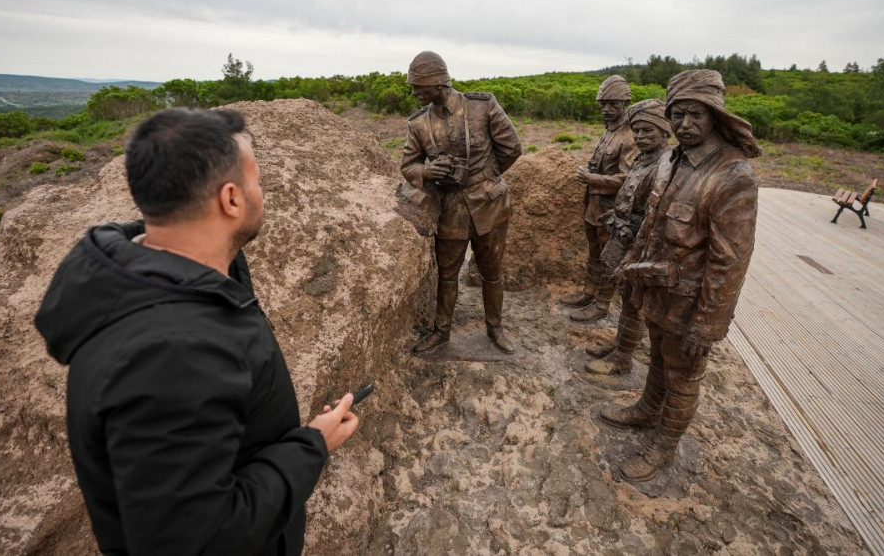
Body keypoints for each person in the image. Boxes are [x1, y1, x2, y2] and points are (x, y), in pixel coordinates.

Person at [35, 108, 359, 555]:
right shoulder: (173, 355)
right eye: (257, 180)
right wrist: (313, 445)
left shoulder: (158, 276)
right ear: (231, 199)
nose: (261, 192)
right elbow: (197, 541)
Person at [599, 69, 760, 482]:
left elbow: (730, 262)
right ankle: (647, 410)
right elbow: (651, 223)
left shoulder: (732, 175)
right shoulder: (672, 158)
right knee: (656, 357)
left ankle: (664, 448)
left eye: (696, 115)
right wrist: (629, 269)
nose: (685, 125)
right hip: (656, 290)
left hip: (691, 302)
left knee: (683, 375)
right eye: (678, 115)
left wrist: (707, 325)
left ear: (715, 116)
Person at [400, 51, 522, 354]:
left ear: (437, 83)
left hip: (490, 206)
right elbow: (408, 166)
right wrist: (428, 171)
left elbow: (512, 148)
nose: (414, 93)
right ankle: (441, 332)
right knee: (448, 273)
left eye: (418, 87)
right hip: (450, 209)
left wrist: (486, 178)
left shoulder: (483, 106)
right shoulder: (418, 124)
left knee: (492, 272)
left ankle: (495, 329)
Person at [585, 98, 672, 375]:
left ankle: (623, 356)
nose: (640, 136)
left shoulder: (664, 164)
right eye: (637, 131)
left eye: (648, 131)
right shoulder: (645, 158)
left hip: (641, 242)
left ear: (664, 131)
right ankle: (619, 344)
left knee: (635, 302)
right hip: (625, 234)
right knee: (625, 297)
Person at [559, 75, 638, 322]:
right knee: (594, 252)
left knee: (607, 257)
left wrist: (591, 178)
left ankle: (602, 304)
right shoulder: (608, 131)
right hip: (594, 206)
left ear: (625, 103)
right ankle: (589, 293)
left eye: (613, 104)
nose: (606, 109)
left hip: (611, 210)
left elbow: (627, 178)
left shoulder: (629, 135)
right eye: (603, 103)